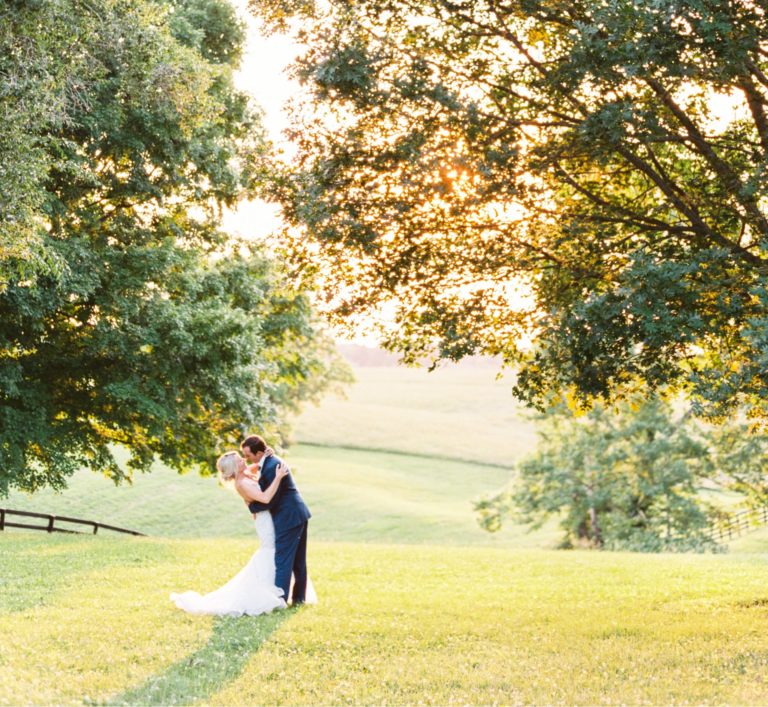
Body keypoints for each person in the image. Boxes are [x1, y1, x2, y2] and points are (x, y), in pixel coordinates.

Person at [169, 451, 290, 616]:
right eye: (240, 460)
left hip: (268, 517)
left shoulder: (245, 474)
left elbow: (255, 466)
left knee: (274, 551)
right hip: (265, 521)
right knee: (270, 551)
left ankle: (274, 586)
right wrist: (278, 476)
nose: (244, 460)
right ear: (235, 468)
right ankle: (267, 589)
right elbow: (265, 498)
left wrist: (265, 456)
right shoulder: (242, 483)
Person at [241, 434, 312, 606]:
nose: (246, 459)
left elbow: (270, 500)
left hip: (288, 517)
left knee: (283, 559)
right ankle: (298, 599)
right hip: (296, 514)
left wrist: (251, 506)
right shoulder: (268, 462)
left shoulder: (272, 465)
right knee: (297, 560)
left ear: (259, 453)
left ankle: (279, 600)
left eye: (248, 455)